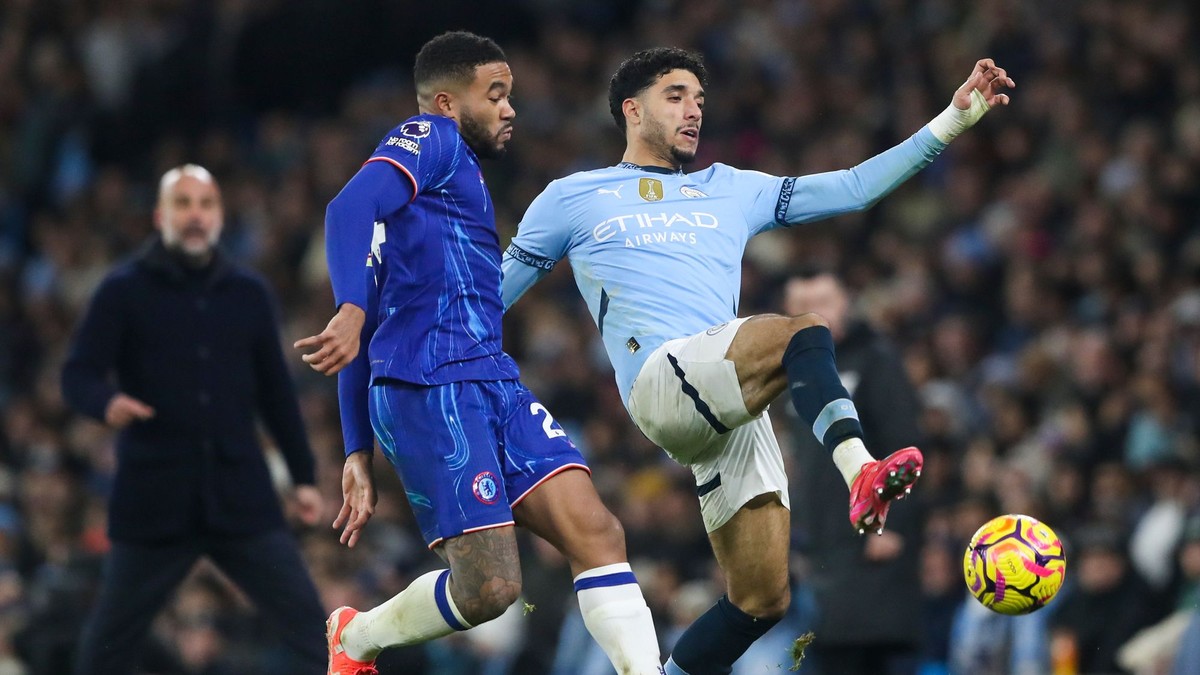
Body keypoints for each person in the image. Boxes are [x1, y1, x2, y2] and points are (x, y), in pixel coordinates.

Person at [501, 47, 1014, 675]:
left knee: (761, 600)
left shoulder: (730, 188)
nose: (693, 111)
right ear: (632, 110)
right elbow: (492, 294)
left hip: (728, 401)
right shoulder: (572, 198)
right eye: (676, 96)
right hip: (662, 377)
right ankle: (859, 468)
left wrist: (953, 120)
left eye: (699, 100)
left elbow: (852, 189)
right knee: (803, 331)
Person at [295, 31, 663, 675]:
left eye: (511, 95)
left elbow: (377, 317)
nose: (509, 108)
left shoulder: (429, 203)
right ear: (445, 102)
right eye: (495, 94)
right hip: (432, 389)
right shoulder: (430, 139)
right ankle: (355, 640)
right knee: (490, 590)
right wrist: (350, 307)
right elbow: (346, 206)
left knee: (598, 532)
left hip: (490, 379)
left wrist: (356, 449)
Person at [61, 164, 327, 674]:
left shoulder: (249, 293)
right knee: (107, 646)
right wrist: (105, 403)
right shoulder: (123, 290)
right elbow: (77, 374)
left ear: (221, 216)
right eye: (182, 204)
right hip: (154, 500)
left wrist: (303, 477)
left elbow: (276, 394)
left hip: (240, 495)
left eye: (205, 204)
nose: (195, 216)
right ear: (160, 216)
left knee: (312, 631)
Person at [780, 271, 926, 674]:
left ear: (846, 302)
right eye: (802, 306)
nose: (816, 314)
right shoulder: (796, 371)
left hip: (872, 540)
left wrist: (896, 525)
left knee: (868, 654)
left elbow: (906, 445)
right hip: (823, 546)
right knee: (830, 654)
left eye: (825, 301)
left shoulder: (876, 359)